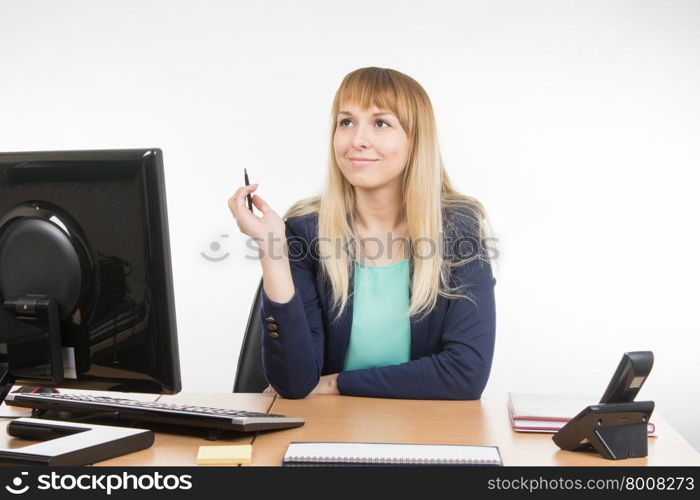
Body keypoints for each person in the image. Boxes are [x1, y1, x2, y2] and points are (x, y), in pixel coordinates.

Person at [228, 67, 496, 400]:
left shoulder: (458, 229)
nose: (357, 140)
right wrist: (272, 249)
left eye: (381, 123)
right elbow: (294, 384)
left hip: (424, 432)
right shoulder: (304, 230)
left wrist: (337, 383)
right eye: (346, 122)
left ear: (416, 139)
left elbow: (465, 374)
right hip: (327, 434)